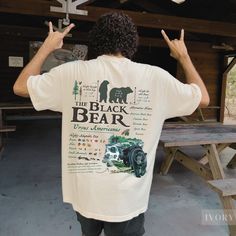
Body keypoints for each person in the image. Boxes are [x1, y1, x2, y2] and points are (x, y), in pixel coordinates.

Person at [13, 12, 209, 236]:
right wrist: (183, 57)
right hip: (127, 199)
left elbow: (20, 86)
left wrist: (47, 47)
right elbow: (202, 98)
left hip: (85, 193)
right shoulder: (155, 77)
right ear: (132, 42)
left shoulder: (72, 72)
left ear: (96, 41)